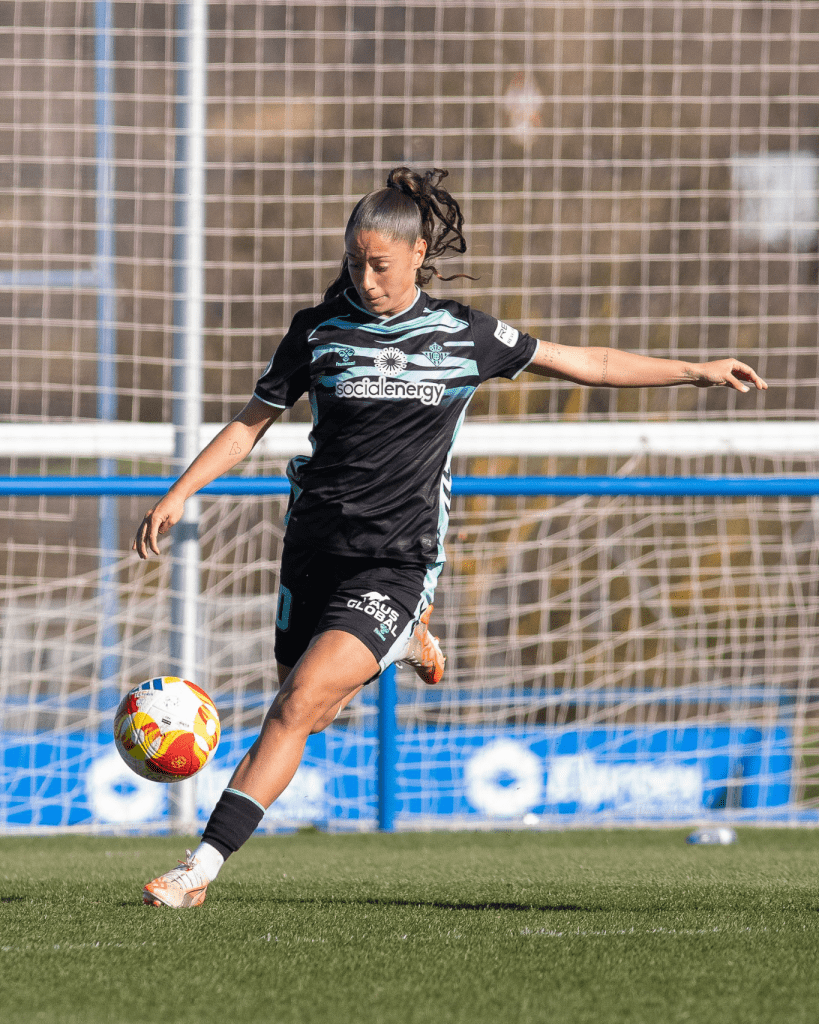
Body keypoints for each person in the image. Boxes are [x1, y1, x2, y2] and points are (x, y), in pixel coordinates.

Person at [133, 166, 767, 908]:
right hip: (312, 547)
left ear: (416, 254)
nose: (365, 279)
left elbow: (584, 362)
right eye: (354, 262)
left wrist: (694, 371)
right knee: (308, 709)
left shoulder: (464, 334)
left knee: (297, 704)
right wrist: (181, 490)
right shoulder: (318, 330)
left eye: (379, 264)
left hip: (397, 562)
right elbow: (251, 424)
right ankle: (402, 643)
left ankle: (199, 868)